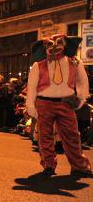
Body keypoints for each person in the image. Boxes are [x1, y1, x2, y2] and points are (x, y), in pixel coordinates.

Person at [26, 34, 92, 177]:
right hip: (44, 102)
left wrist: (81, 98)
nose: (54, 46)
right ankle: (48, 165)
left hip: (66, 102)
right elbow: (31, 86)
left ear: (65, 45)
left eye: (58, 42)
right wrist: (30, 105)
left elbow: (82, 80)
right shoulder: (39, 64)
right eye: (50, 44)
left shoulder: (74, 61)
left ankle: (79, 166)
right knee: (45, 136)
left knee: (72, 136)